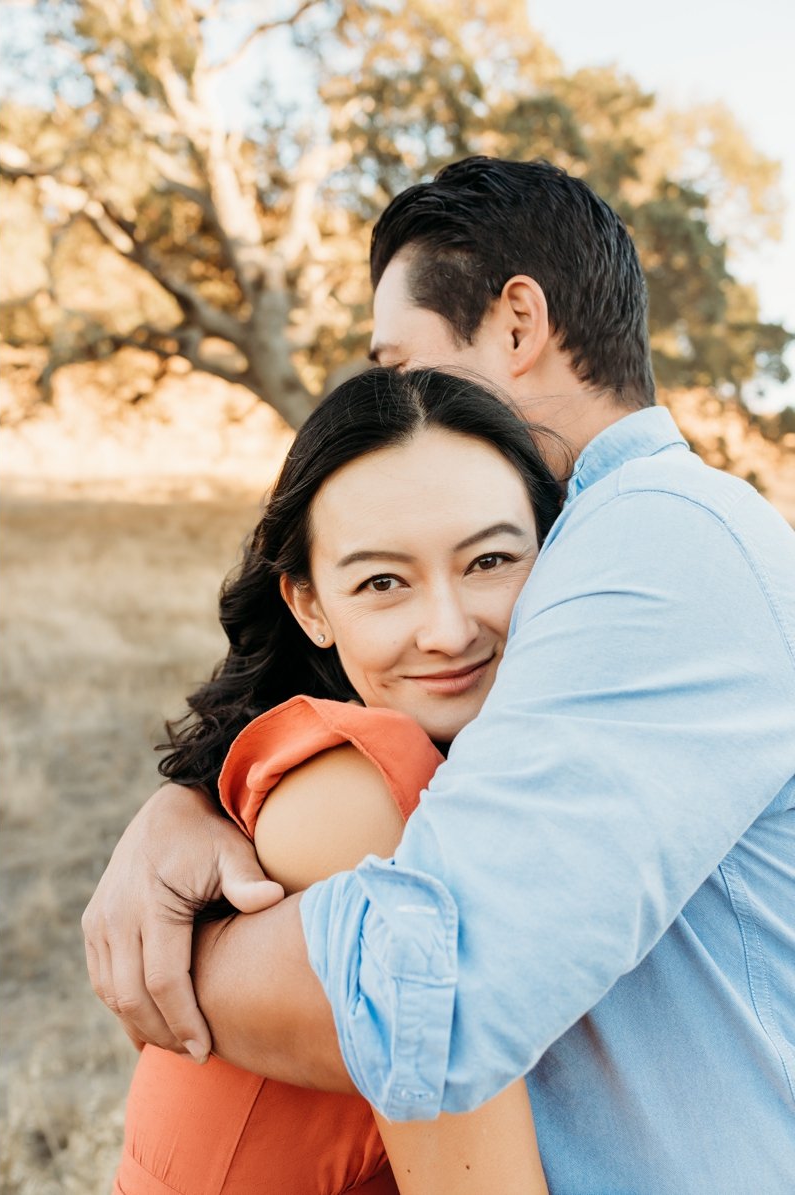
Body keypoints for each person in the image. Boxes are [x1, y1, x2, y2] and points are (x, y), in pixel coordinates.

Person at [84, 155, 795, 1192]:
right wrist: (201, 809)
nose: (392, 397)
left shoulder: (660, 538)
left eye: (398, 358)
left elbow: (436, 994)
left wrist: (183, 948)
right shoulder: (596, 545)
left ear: (516, 324)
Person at [115, 367, 559, 1195]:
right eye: (383, 582)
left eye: (491, 560)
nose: (449, 628)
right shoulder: (360, 793)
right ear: (310, 605)